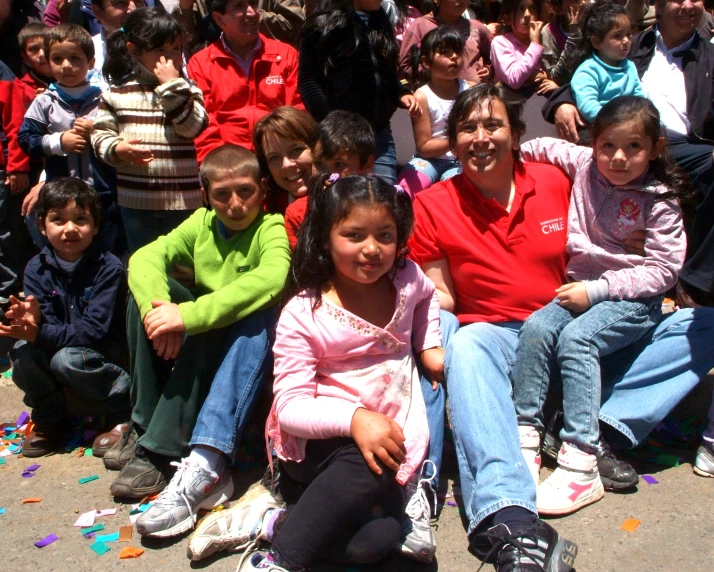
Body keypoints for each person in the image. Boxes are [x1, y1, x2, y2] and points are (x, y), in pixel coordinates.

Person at [409, 82, 714, 569]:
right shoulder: (433, 204)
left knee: (704, 326)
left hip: (582, 322)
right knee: (467, 342)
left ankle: (593, 426)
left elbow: (621, 202)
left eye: (493, 125)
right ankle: (506, 512)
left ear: (515, 135)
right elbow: (439, 294)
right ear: (451, 139)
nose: (481, 137)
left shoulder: (557, 177)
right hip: (502, 337)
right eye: (467, 128)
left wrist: (632, 270)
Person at [187, 175, 445, 568]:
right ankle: (279, 560)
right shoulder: (304, 314)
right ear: (325, 238)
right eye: (354, 235)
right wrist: (355, 419)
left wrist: (428, 346)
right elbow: (290, 407)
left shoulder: (406, 279)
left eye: (385, 235)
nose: (372, 249)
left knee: (376, 541)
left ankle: (276, 520)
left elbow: (429, 300)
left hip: (384, 442)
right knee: (369, 464)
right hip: (315, 446)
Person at [513, 96, 688, 516]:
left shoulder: (659, 201)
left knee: (576, 340)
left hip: (631, 299)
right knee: (536, 327)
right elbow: (542, 147)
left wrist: (599, 290)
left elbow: (663, 270)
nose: (618, 158)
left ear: (656, 148)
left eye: (633, 147)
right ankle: (526, 434)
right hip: (577, 288)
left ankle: (581, 456)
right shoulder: (585, 165)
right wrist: (509, 152)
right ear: (594, 143)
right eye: (608, 145)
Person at [108, 144, 290, 504]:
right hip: (199, 329)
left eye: (245, 191)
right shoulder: (200, 223)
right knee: (148, 296)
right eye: (222, 195)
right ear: (205, 195)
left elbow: (271, 278)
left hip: (241, 344)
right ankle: (144, 423)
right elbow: (146, 256)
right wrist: (159, 314)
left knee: (220, 319)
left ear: (262, 190)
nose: (235, 205)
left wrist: (187, 316)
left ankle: (161, 448)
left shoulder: (270, 227)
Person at [544, 0, 714, 307]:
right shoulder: (632, 44)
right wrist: (562, 104)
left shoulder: (710, 56)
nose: (689, 5)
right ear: (658, 5)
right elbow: (584, 78)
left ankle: (695, 282)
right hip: (622, 138)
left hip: (685, 146)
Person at [0, 177, 131, 458]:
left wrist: (40, 332)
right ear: (42, 226)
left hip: (105, 355)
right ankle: (51, 416)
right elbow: (44, 328)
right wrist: (31, 322)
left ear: (96, 226)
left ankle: (121, 410)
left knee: (66, 358)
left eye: (80, 219)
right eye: (58, 219)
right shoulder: (36, 268)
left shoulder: (108, 268)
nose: (70, 229)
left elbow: (94, 331)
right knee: (22, 352)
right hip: (65, 350)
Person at [91, 7, 208, 253]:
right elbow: (100, 134)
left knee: (183, 263)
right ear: (134, 50)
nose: (169, 58)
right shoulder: (116, 93)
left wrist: (172, 88)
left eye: (175, 49)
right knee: (143, 260)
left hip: (183, 200)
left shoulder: (187, 88)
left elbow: (193, 127)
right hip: (136, 200)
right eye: (159, 50)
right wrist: (117, 148)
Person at [17, 23, 120, 254]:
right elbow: (26, 139)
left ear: (91, 63)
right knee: (66, 251)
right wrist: (60, 141)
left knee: (106, 249)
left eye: (75, 58)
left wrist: (96, 130)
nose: (66, 66)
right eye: (58, 59)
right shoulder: (44, 102)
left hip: (103, 193)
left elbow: (121, 134)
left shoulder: (105, 99)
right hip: (60, 193)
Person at [298, 0, 420, 185]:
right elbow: (308, 81)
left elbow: (385, 73)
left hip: (380, 135)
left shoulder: (381, 20)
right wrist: (332, 123)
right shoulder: (322, 24)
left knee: (383, 199)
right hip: (341, 137)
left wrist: (401, 93)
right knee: (343, 199)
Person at [187, 0, 302, 163]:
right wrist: (223, 167)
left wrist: (280, 160)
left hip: (279, 163)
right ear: (219, 19)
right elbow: (203, 126)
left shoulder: (286, 55)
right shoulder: (200, 64)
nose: (252, 12)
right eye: (239, 6)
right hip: (226, 168)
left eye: (254, 4)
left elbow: (297, 114)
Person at [284, 110, 376, 249]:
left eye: (339, 165)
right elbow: (303, 267)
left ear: (367, 165)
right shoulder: (299, 214)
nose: (327, 175)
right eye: (319, 164)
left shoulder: (383, 209)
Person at [398, 26, 468, 196]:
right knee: (406, 190)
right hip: (427, 161)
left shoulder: (469, 92)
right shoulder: (422, 96)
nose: (454, 57)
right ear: (426, 62)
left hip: (459, 162)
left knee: (453, 193)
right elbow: (424, 147)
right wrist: (459, 139)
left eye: (457, 51)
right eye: (445, 52)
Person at [569, 1, 643, 125]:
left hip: (630, 126)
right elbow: (588, 105)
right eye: (618, 36)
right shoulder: (588, 70)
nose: (626, 41)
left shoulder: (630, 67)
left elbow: (640, 98)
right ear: (597, 42)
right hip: (600, 128)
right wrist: (616, 124)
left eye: (628, 34)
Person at [398, 0, 492, 85]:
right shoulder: (420, 26)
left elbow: (494, 57)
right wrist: (437, 76)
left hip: (474, 96)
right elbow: (406, 65)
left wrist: (488, 69)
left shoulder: (477, 27)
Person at [252, 106, 316, 216]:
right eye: (274, 157)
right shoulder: (265, 212)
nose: (286, 165)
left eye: (296, 150)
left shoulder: (347, 200)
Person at [491, 0, 557, 96]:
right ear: (507, 18)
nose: (527, 15)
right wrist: (535, 44)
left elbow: (556, 70)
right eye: (521, 9)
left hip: (542, 96)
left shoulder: (545, 38)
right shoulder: (500, 42)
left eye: (532, 9)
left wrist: (547, 75)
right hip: (513, 101)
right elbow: (514, 79)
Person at [86, 0, 148, 90]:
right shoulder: (83, 52)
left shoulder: (165, 50)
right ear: (98, 12)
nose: (133, 9)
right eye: (121, 3)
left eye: (138, 2)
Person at [540, 0, 584, 86]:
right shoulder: (549, 33)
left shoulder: (594, 25)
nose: (583, 3)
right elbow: (555, 77)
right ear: (558, 7)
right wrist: (574, 38)